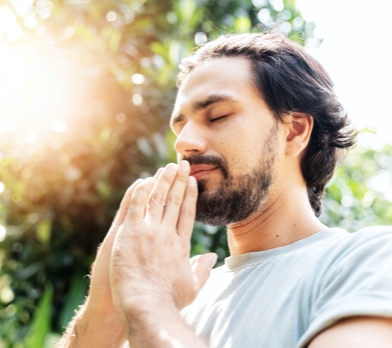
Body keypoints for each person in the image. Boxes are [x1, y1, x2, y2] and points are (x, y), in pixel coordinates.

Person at [57, 32, 392, 347]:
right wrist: (105, 308)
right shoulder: (180, 297)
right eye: (181, 126)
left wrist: (146, 299)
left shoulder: (368, 262)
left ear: (294, 131)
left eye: (217, 116)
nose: (184, 142)